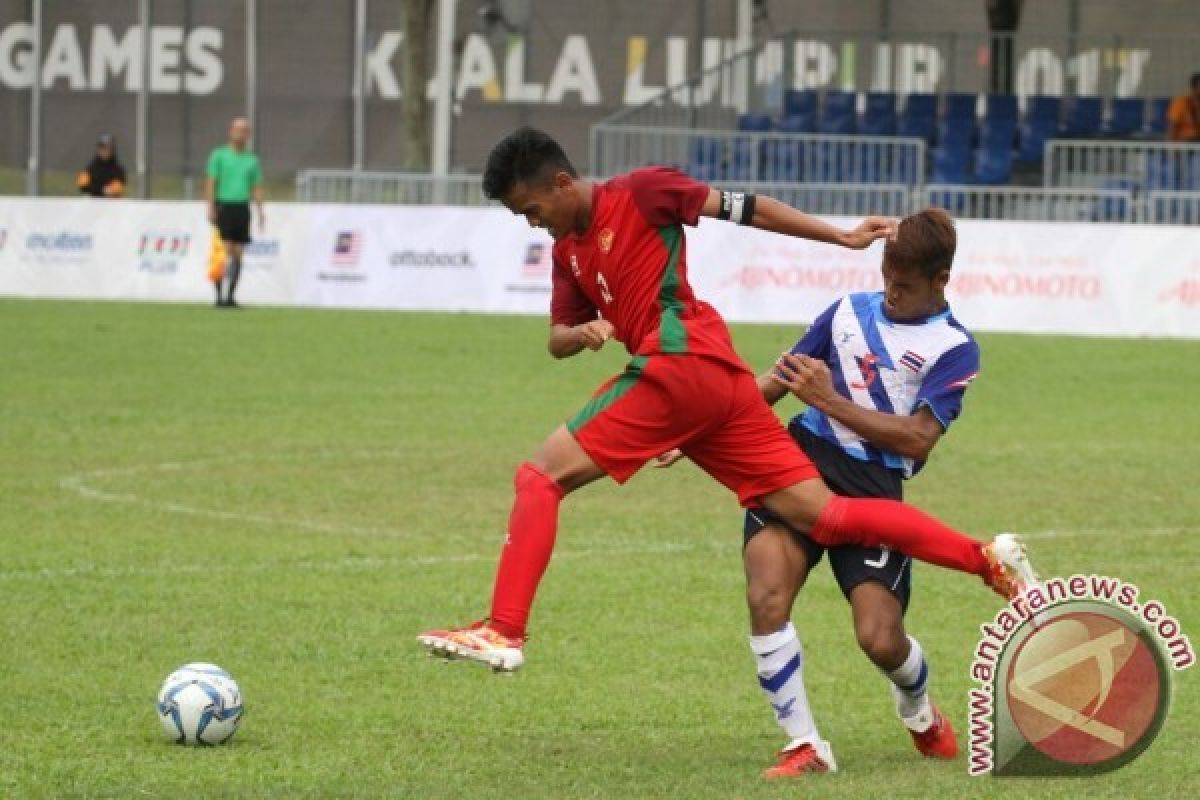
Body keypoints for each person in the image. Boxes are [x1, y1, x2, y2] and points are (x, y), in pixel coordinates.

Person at [416, 128, 1036, 676]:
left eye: (532, 209)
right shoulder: (566, 253)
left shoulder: (643, 191)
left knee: (539, 477)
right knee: (826, 516)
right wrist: (580, 334)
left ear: (561, 182)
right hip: (721, 382)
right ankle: (986, 559)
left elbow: (748, 210)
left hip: (678, 363)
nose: (534, 222)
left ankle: (504, 628)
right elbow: (556, 338)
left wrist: (840, 237)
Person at [659, 208, 973, 778]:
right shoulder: (846, 312)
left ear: (941, 281)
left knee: (880, 639)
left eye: (904, 286)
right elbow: (780, 381)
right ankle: (804, 745)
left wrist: (829, 400)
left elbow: (920, 439)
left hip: (874, 486)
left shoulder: (953, 348)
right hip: (796, 463)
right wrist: (701, 429)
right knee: (766, 596)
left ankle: (919, 711)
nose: (891, 293)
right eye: (886, 278)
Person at [205, 117, 264, 308]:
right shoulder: (219, 155)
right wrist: (211, 206)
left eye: (244, 130)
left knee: (238, 253)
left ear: (249, 135)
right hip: (225, 206)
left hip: (241, 207)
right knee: (224, 250)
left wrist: (260, 210)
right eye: (238, 129)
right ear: (231, 131)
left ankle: (230, 296)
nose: (241, 134)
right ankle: (219, 295)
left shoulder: (251, 160)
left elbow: (256, 186)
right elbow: (211, 182)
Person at [1166, 73, 1200, 142]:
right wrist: (1172, 149)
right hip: (1184, 143)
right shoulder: (1180, 103)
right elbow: (1172, 127)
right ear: (1194, 88)